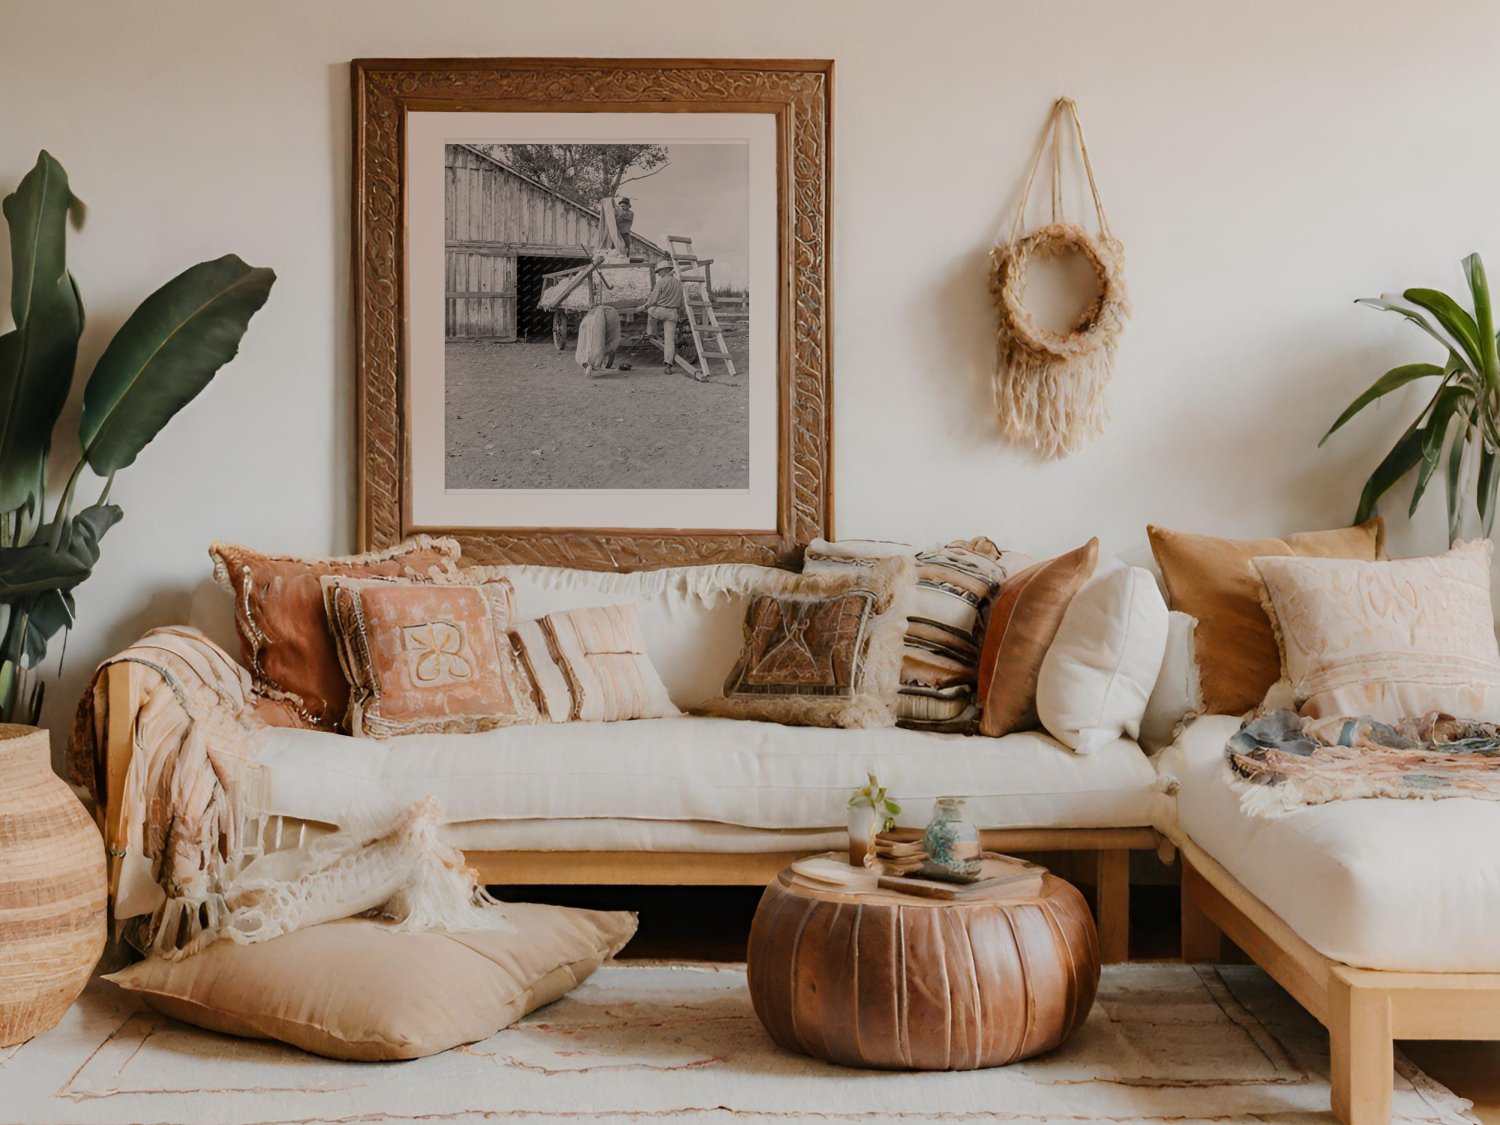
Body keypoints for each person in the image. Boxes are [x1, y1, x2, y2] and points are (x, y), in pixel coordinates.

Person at [644, 260, 686, 373]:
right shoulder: (678, 283)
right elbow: (682, 302)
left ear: (666, 270)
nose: (658, 274)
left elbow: (653, 300)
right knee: (669, 340)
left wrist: (644, 306)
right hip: (673, 313)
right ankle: (668, 365)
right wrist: (680, 315)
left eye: (660, 271)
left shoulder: (661, 282)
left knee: (651, 310)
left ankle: (651, 333)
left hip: (662, 311)